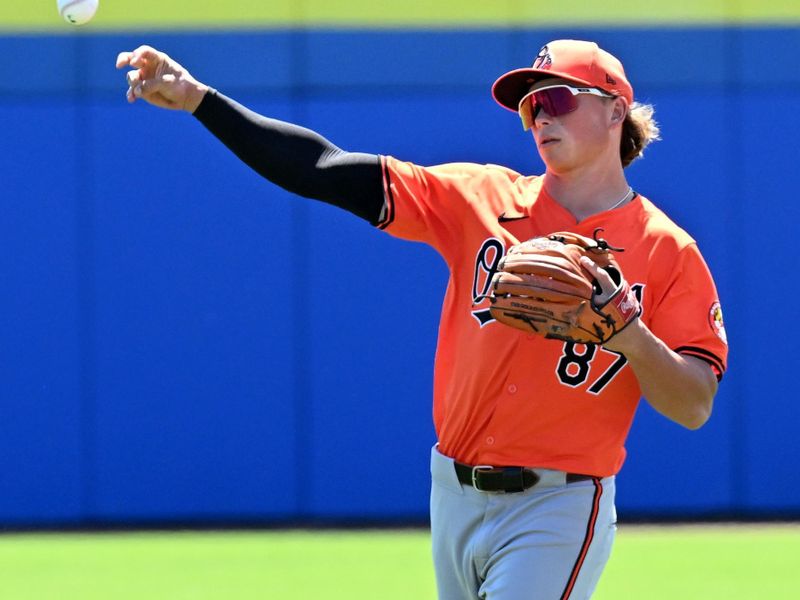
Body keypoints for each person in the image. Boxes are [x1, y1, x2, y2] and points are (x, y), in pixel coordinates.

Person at [116, 39, 728, 599]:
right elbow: (323, 170)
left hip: (559, 506)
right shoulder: (479, 197)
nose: (541, 115)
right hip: (452, 493)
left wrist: (630, 335)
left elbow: (695, 403)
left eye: (558, 98)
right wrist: (201, 100)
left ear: (616, 110)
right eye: (530, 106)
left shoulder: (665, 250)